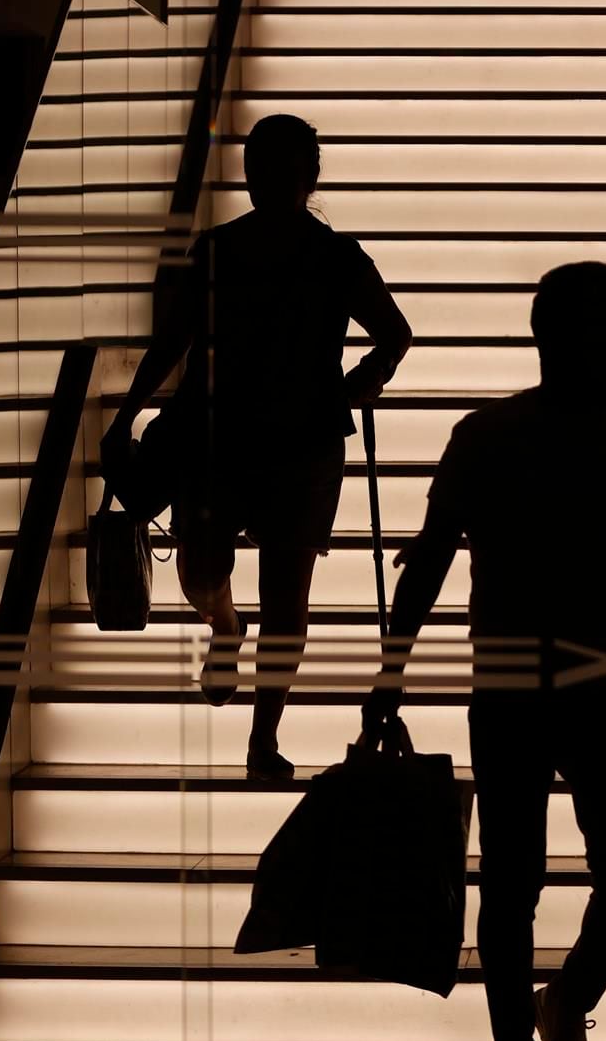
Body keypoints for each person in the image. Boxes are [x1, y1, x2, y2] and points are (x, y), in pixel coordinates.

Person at [364, 261, 606, 1041]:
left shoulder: (485, 436)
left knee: (512, 882)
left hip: (511, 677)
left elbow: (430, 556)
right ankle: (564, 1003)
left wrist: (390, 672)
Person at [104, 113, 412, 779]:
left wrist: (128, 413)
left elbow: (172, 342)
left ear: (300, 178)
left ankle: (262, 735)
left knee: (267, 593)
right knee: (235, 585)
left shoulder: (229, 254)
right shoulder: (326, 257)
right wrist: (355, 388)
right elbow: (393, 334)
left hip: (246, 440)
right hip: (287, 440)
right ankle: (228, 633)